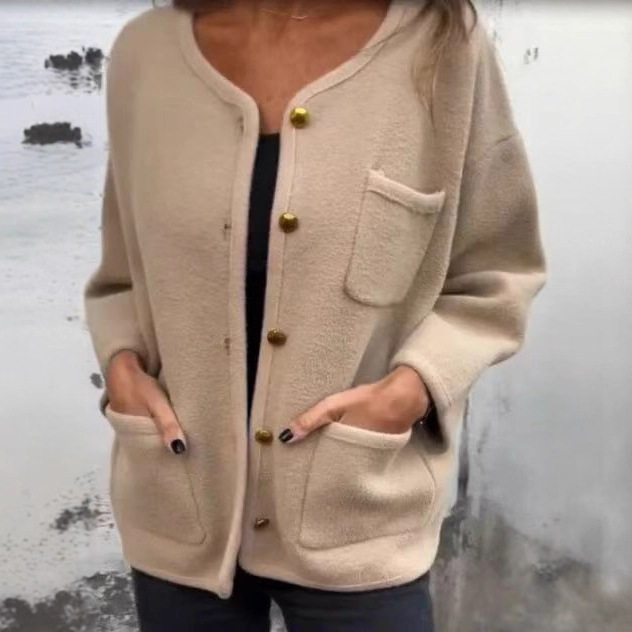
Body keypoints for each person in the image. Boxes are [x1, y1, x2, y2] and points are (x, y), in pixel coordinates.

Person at [82, 0, 547, 629]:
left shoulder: (445, 47)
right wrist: (121, 366)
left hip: (358, 510)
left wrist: (411, 389)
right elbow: (121, 275)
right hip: (176, 503)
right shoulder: (146, 55)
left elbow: (497, 274)